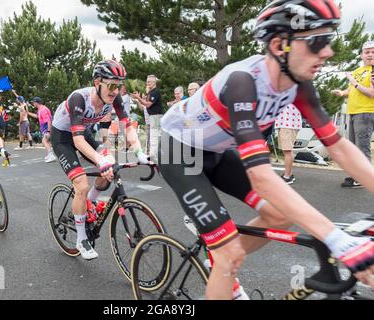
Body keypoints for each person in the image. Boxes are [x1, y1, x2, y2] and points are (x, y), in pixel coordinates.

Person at [159, 0, 374, 300]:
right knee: (229, 255)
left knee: (279, 215)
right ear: (279, 44)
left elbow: (338, 147)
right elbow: (262, 177)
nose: (327, 52)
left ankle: (216, 260)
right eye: (318, 41)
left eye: (330, 40)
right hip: (181, 151)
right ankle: (223, 260)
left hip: (215, 151)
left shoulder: (299, 84)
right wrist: (336, 238)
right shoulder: (242, 82)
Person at [51, 60, 148, 260]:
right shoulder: (79, 98)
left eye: (120, 85)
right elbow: (76, 141)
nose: (116, 91)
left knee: (110, 169)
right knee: (81, 184)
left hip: (82, 134)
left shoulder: (115, 99)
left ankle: (88, 203)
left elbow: (127, 127)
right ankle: (81, 238)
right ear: (97, 82)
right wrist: (100, 160)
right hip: (63, 137)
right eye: (111, 85)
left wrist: (139, 152)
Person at [332, 40, 374, 188]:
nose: (370, 54)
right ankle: (357, 176)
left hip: (366, 112)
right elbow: (352, 90)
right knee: (354, 148)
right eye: (367, 52)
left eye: (373, 52)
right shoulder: (357, 71)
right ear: (361, 55)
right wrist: (342, 92)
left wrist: (354, 82)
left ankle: (365, 179)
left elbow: (371, 93)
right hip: (353, 112)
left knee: (362, 147)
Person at [132, 75, 163, 160]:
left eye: (149, 81)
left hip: (155, 116)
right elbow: (144, 105)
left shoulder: (155, 92)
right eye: (147, 81)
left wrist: (138, 98)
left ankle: (154, 156)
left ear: (154, 82)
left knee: (154, 136)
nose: (147, 83)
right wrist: (139, 99)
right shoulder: (151, 92)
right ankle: (153, 155)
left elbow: (148, 104)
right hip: (152, 116)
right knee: (154, 136)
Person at [275, 104, 303, 184]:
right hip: (286, 123)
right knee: (287, 151)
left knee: (287, 151)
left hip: (288, 123)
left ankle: (287, 177)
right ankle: (289, 174)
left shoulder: (290, 91)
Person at [28, 97, 57, 163]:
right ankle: (50, 155)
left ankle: (51, 155)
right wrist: (28, 113)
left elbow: (49, 120)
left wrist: (49, 131)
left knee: (44, 141)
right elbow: (37, 116)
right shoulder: (40, 109)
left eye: (33, 102)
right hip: (45, 128)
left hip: (47, 128)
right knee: (47, 142)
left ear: (36, 102)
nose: (33, 104)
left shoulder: (43, 109)